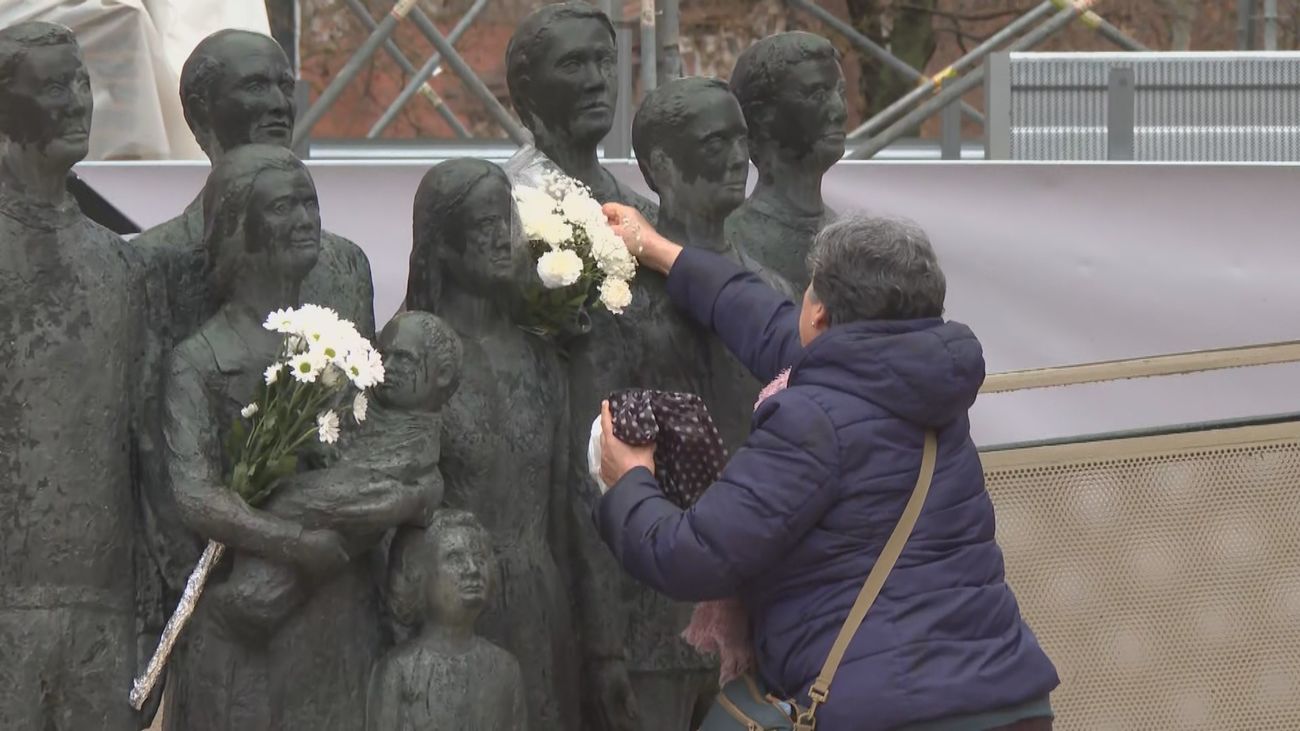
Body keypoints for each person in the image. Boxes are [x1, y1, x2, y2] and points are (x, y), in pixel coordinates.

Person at [594, 202, 1060, 731]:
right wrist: (661, 251)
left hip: (894, 717)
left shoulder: (810, 420)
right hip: (1012, 703)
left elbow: (692, 556)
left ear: (818, 313)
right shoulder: (926, 386)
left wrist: (628, 479)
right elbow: (770, 326)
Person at [161, 145, 420, 731]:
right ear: (237, 227)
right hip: (247, 625)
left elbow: (370, 458)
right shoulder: (200, 360)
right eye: (283, 207)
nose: (307, 219)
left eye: (310, 203)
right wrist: (294, 542)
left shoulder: (339, 349)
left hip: (341, 613)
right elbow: (194, 494)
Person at [0, 21, 150, 731]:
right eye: (54, 86)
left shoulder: (118, 263)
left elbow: (140, 439)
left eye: (82, 82)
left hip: (102, 606)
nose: (77, 102)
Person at [404, 158, 583, 731]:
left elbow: (565, 510)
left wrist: (597, 643)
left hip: (541, 605)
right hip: (452, 616)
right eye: (483, 224)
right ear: (441, 245)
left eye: (505, 219)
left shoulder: (541, 359)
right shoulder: (410, 360)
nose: (502, 236)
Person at [367, 510, 528, 731]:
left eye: (479, 558)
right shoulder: (399, 670)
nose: (472, 569)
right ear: (418, 574)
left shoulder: (505, 669)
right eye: (455, 558)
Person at [503, 1, 656, 220]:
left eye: (606, 61)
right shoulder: (500, 210)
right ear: (526, 91)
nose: (597, 81)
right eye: (572, 65)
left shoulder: (645, 217)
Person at [725, 31, 846, 293]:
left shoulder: (848, 241)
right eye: (817, 94)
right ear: (761, 117)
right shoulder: (729, 242)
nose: (840, 111)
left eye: (840, 93)